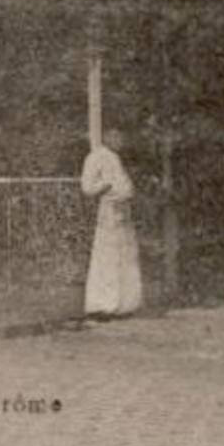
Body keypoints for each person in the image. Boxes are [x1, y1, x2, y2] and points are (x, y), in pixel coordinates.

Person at [80, 128, 143, 318]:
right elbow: (87, 187)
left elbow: (124, 185)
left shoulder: (115, 158)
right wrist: (106, 185)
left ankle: (124, 305)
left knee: (126, 256)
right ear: (107, 137)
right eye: (116, 137)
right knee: (106, 257)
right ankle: (102, 306)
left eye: (121, 137)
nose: (120, 141)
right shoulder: (96, 157)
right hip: (108, 212)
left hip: (123, 213)